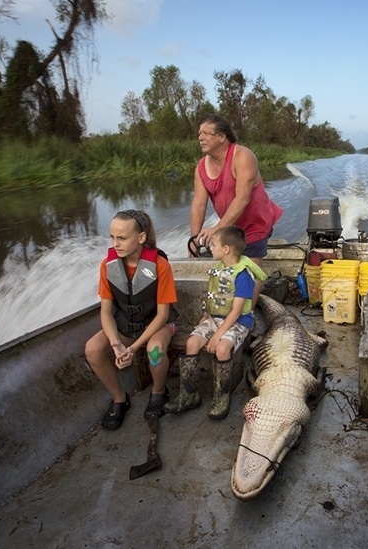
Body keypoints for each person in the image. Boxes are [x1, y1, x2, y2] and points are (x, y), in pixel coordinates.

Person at [84, 209, 178, 430]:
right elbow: (106, 311)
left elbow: (163, 314)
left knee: (154, 351)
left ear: (141, 237)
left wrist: (134, 348)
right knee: (92, 349)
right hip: (126, 325)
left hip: (157, 325)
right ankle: (119, 398)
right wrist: (116, 343)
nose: (116, 244)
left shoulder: (160, 266)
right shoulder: (108, 265)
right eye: (112, 237)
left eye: (122, 238)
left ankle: (158, 392)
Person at [165, 226, 267, 420]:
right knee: (191, 343)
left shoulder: (243, 275)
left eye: (213, 245)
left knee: (221, 349)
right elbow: (214, 297)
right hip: (214, 319)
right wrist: (205, 318)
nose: (210, 248)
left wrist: (219, 334)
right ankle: (189, 394)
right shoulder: (219, 269)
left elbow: (236, 311)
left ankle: (221, 395)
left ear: (226, 249)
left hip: (237, 321)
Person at [190, 113, 283, 300]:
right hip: (231, 225)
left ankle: (247, 316)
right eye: (200, 133)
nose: (200, 137)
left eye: (207, 133)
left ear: (222, 137)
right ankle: (229, 310)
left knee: (250, 274)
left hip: (256, 222)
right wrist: (193, 241)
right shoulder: (201, 167)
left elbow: (243, 199)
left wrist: (217, 228)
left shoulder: (242, 156)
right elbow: (199, 205)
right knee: (229, 269)